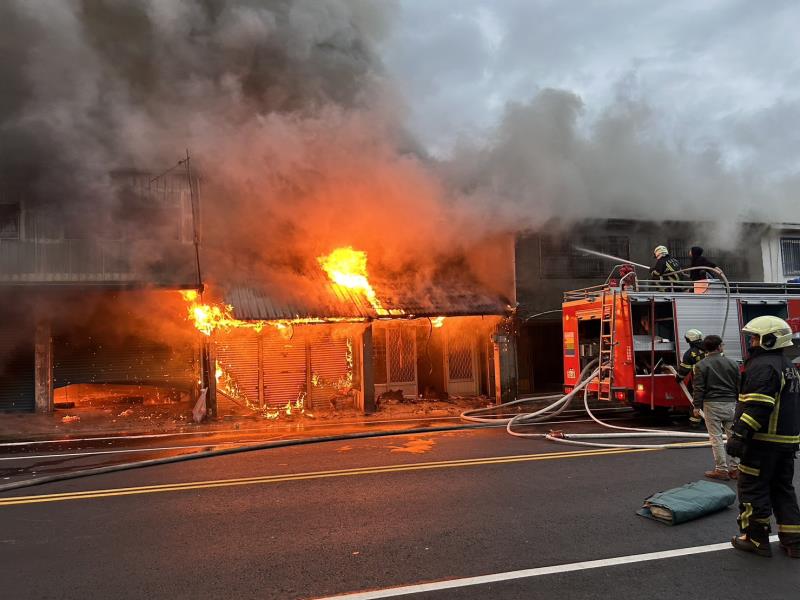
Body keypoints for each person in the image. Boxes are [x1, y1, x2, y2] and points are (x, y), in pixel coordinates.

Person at [725, 316, 800, 558]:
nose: (752, 342)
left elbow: (758, 406)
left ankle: (756, 539)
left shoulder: (763, 366)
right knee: (783, 490)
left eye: (756, 338)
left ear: (769, 340)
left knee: (753, 490)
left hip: (761, 443)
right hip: (785, 444)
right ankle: (794, 542)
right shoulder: (789, 366)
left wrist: (738, 436)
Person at [692, 335, 740, 480]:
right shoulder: (733, 363)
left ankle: (721, 469)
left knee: (716, 438)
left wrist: (696, 406)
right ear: (719, 347)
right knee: (733, 436)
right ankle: (736, 469)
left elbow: (698, 388)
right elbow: (738, 385)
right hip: (731, 403)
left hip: (711, 404)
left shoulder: (701, 365)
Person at [676, 328, 706, 428]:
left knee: (697, 400)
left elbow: (684, 370)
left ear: (688, 340)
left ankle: (695, 422)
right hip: (715, 381)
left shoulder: (690, 353)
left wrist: (678, 378)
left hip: (699, 382)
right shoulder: (711, 348)